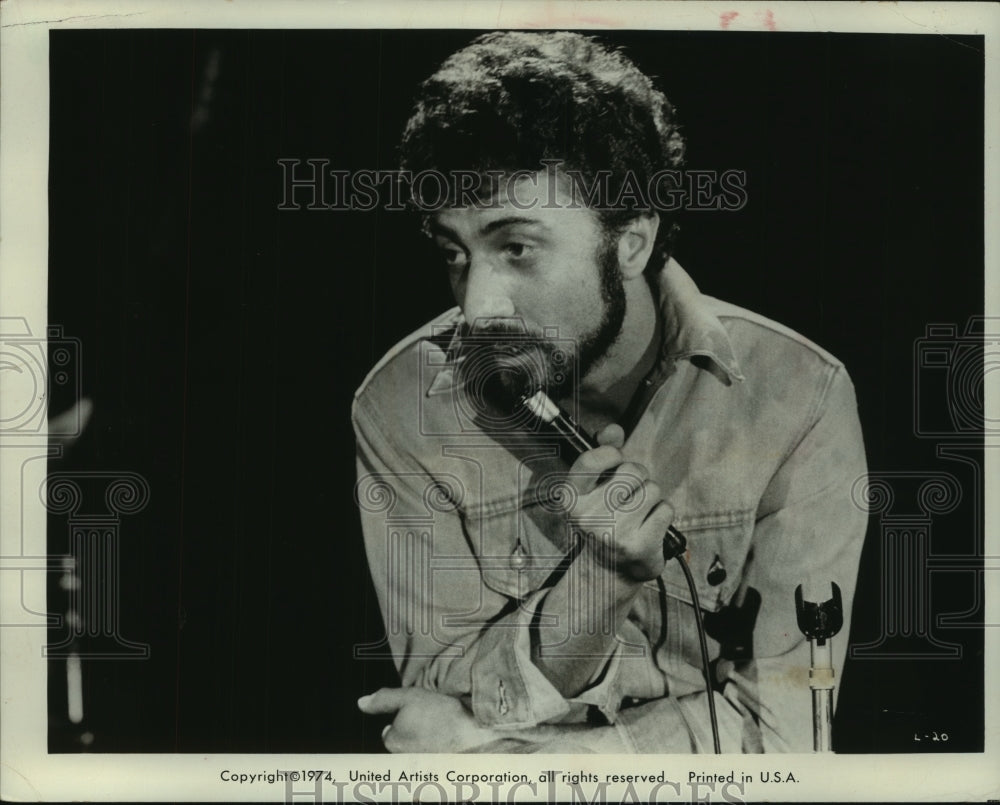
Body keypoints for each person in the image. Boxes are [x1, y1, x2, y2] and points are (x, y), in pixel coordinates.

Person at [352, 31, 867, 753]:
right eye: (454, 254)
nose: (477, 307)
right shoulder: (404, 404)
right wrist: (600, 580)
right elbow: (436, 698)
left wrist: (527, 761)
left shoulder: (799, 397)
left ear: (630, 241)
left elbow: (785, 743)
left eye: (517, 248)